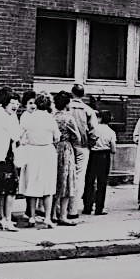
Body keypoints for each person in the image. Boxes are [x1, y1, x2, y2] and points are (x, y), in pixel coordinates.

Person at [18, 93, 60, 228]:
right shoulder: (50, 119)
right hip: (47, 151)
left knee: (32, 184)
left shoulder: (28, 118)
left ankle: (31, 216)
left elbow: (20, 135)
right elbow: (57, 137)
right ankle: (47, 217)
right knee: (47, 185)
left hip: (32, 151)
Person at [0, 88, 21, 230]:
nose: (15, 106)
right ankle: (7, 219)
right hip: (5, 156)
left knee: (0, 188)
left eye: (16, 103)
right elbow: (16, 135)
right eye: (12, 103)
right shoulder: (6, 117)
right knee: (10, 189)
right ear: (4, 103)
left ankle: (0, 216)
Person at [66, 84, 98, 219]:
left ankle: (61, 207)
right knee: (79, 178)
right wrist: (90, 143)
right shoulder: (88, 110)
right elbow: (94, 131)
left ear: (71, 93)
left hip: (67, 144)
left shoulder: (66, 108)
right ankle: (73, 209)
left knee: (65, 174)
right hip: (82, 145)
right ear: (83, 95)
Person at [52, 91, 79, 226]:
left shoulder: (51, 117)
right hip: (65, 149)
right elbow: (77, 137)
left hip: (52, 149)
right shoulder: (68, 118)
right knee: (66, 182)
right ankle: (63, 214)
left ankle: (52, 213)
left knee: (54, 181)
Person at [83, 111, 117, 215]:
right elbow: (113, 149)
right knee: (102, 182)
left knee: (90, 181)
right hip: (104, 156)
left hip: (93, 155)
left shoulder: (94, 130)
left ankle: (87, 207)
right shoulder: (111, 132)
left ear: (100, 118)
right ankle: (99, 208)